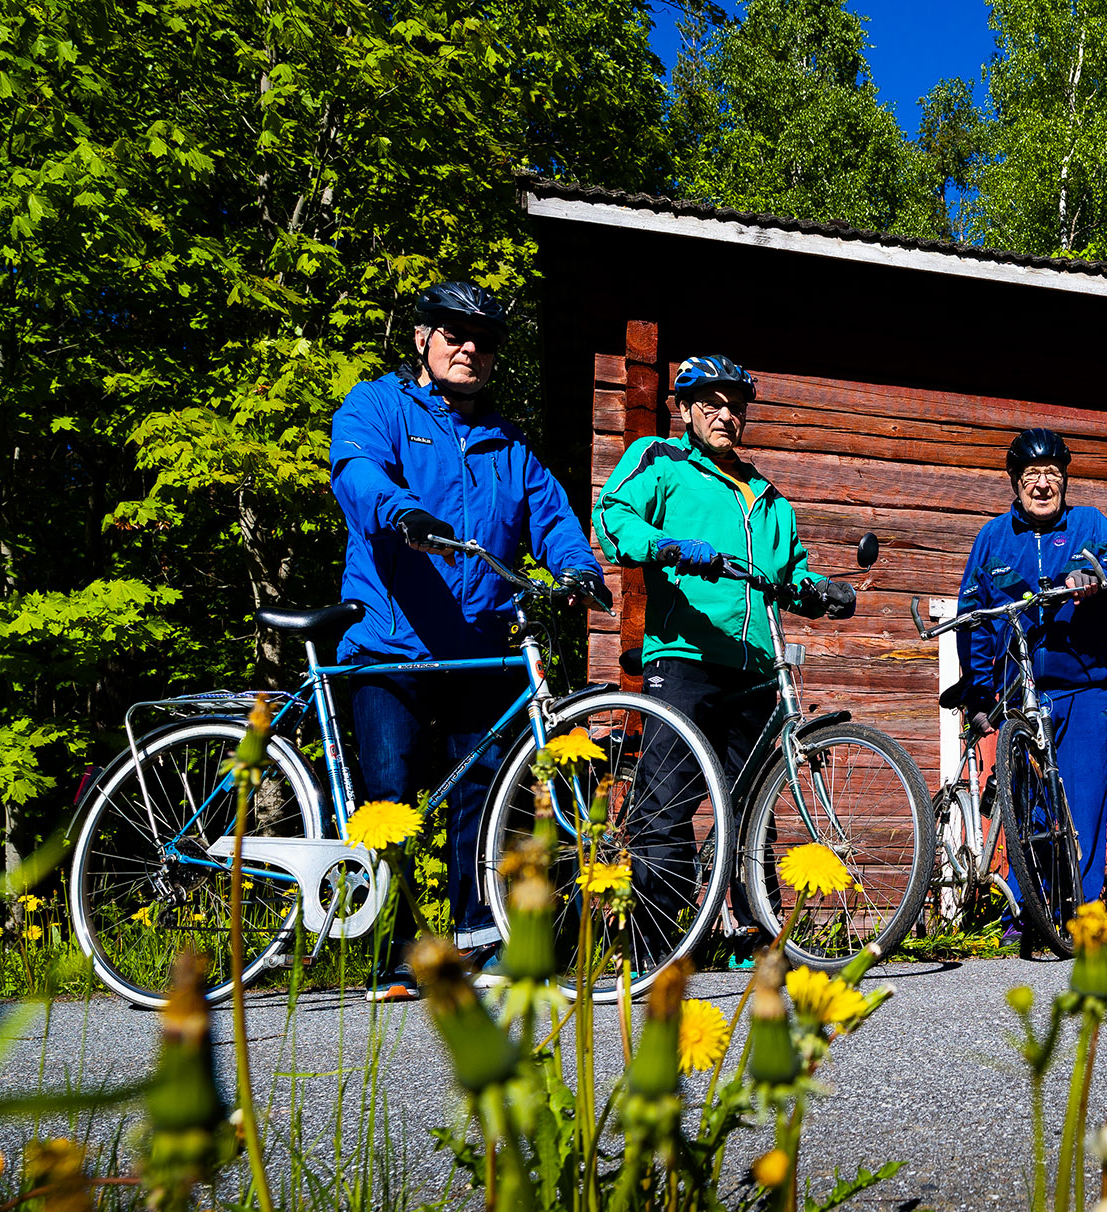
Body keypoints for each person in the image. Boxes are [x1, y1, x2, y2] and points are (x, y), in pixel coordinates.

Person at [330, 280, 610, 1001]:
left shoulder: (508, 446)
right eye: (454, 331)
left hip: (483, 644)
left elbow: (550, 517)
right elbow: (356, 472)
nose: (469, 347)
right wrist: (402, 512)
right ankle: (396, 957)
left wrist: (578, 567)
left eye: (483, 339)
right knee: (388, 798)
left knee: (482, 800)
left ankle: (474, 944)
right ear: (422, 338)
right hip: (391, 638)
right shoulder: (378, 406)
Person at [593, 355, 857, 961]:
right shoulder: (662, 460)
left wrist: (822, 592)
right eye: (708, 403)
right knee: (667, 800)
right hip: (683, 656)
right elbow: (613, 516)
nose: (723, 414)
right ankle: (655, 946)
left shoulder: (769, 498)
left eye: (734, 405)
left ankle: (755, 936)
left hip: (754, 668)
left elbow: (788, 574)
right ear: (685, 410)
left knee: (751, 805)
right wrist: (664, 546)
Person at [956, 428, 1107, 952]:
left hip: (1082, 689)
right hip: (1020, 694)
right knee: (1026, 806)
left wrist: (1099, 576)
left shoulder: (1089, 524)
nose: (1043, 485)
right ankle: (1028, 911)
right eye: (1032, 476)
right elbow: (972, 619)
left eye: (1053, 476)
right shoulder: (993, 537)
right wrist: (978, 694)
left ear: (1064, 481)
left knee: (1083, 804)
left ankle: (1085, 915)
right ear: (1016, 483)